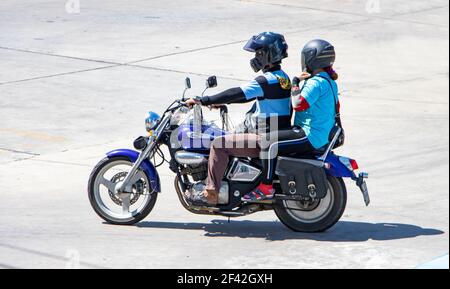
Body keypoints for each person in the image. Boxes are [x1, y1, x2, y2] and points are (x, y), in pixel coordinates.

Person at [185, 32, 291, 207]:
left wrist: (204, 100)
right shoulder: (282, 78)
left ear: (268, 54)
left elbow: (238, 93)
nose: (255, 58)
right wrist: (220, 103)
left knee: (218, 144)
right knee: (229, 136)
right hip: (272, 133)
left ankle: (211, 193)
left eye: (258, 53)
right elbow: (259, 103)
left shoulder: (266, 80)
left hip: (264, 137)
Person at [242, 39, 341, 202]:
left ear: (311, 58)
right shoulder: (330, 81)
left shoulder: (315, 83)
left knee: (269, 141)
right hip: (322, 134)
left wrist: (295, 82)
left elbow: (298, 104)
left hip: (310, 134)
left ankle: (265, 188)